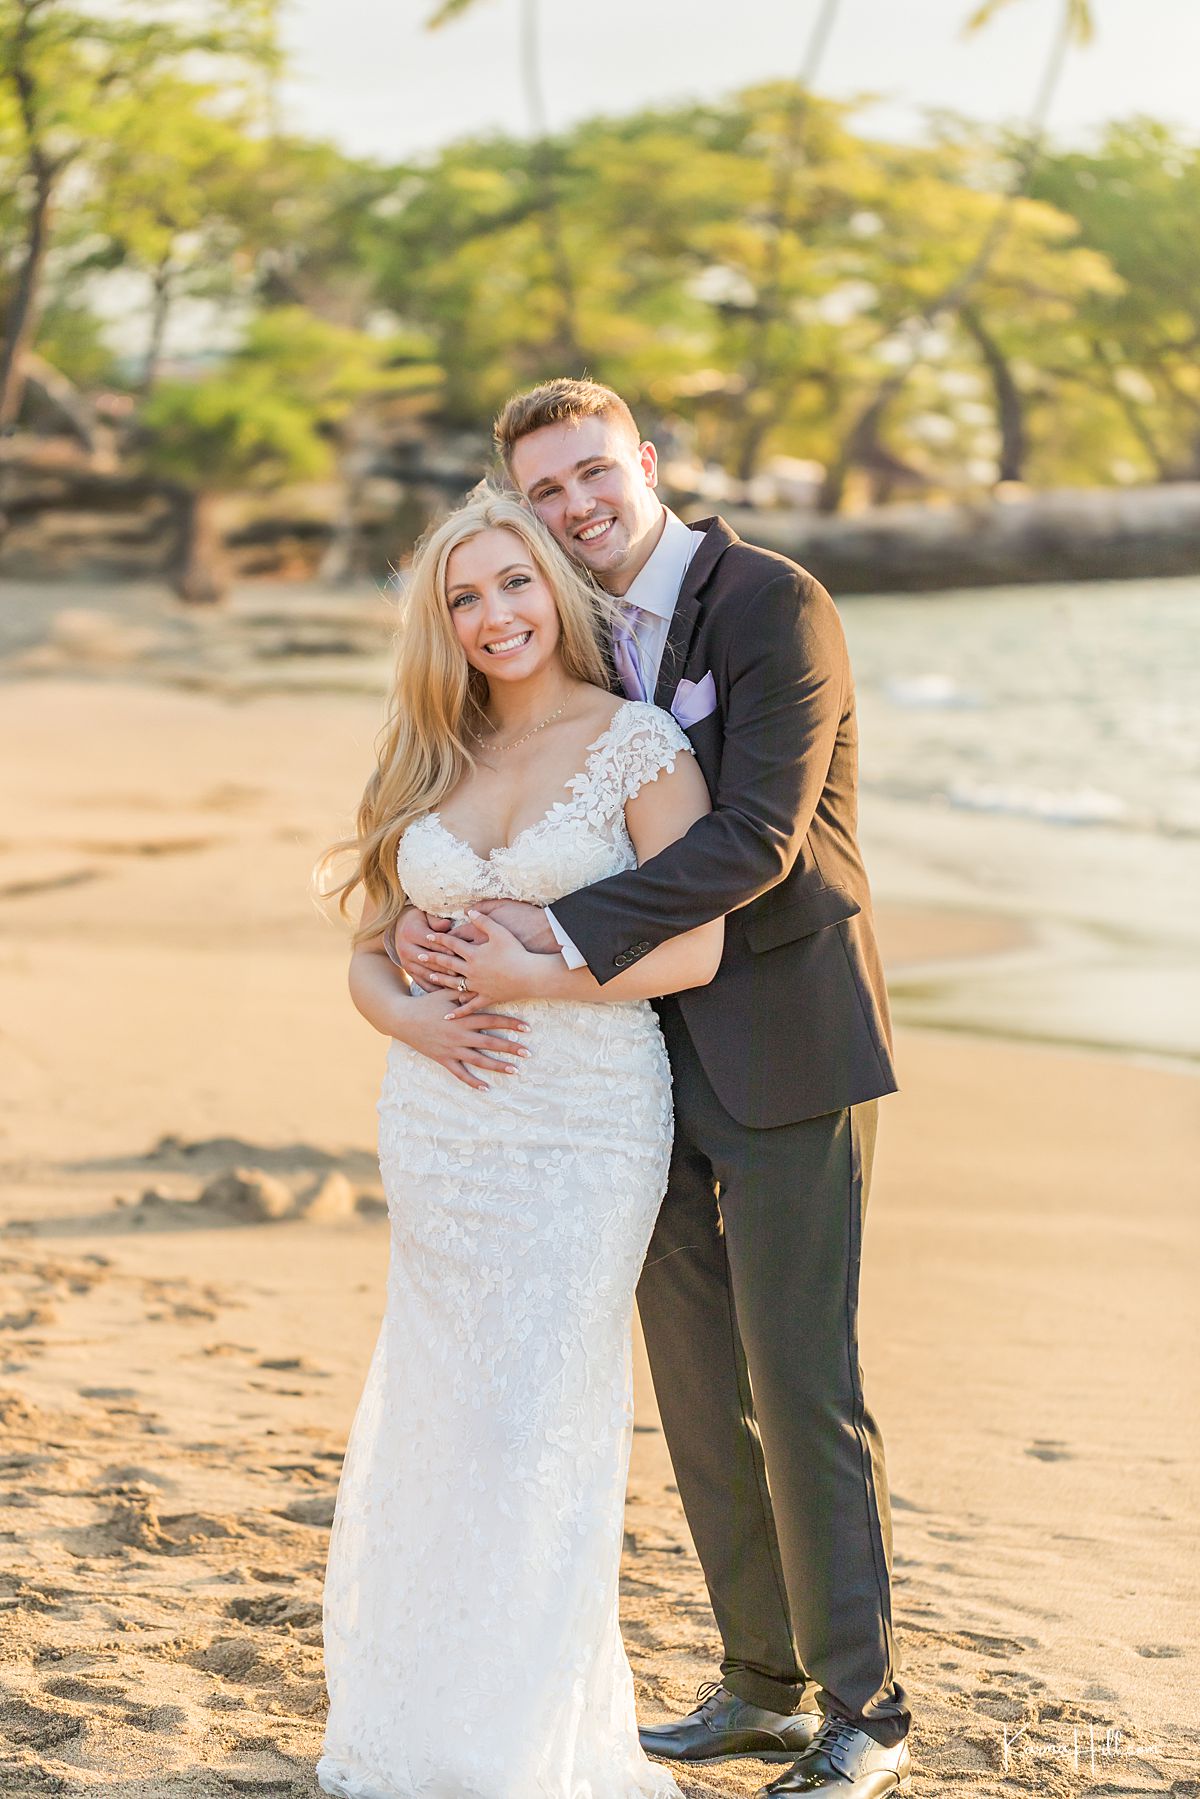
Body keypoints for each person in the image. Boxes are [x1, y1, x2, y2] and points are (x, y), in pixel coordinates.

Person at [391, 380, 911, 1799]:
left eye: (590, 476)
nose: (574, 508)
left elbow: (757, 835)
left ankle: (867, 1711)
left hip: (786, 1043)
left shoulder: (771, 602)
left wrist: (548, 943)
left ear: (648, 464)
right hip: (630, 1064)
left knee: (803, 1376)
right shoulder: (581, 627)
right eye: (545, 491)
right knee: (694, 1383)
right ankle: (756, 1683)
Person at [314, 487, 722, 1799]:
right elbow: (370, 959)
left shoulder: (639, 747)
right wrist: (418, 1025)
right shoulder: (424, 751)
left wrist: (520, 981)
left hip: (583, 1124)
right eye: (463, 598)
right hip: (442, 1126)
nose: (493, 616)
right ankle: (420, 1727)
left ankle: (519, 1752)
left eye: (513, 584)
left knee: (527, 1422)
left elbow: (695, 946)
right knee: (442, 1412)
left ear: (559, 586)